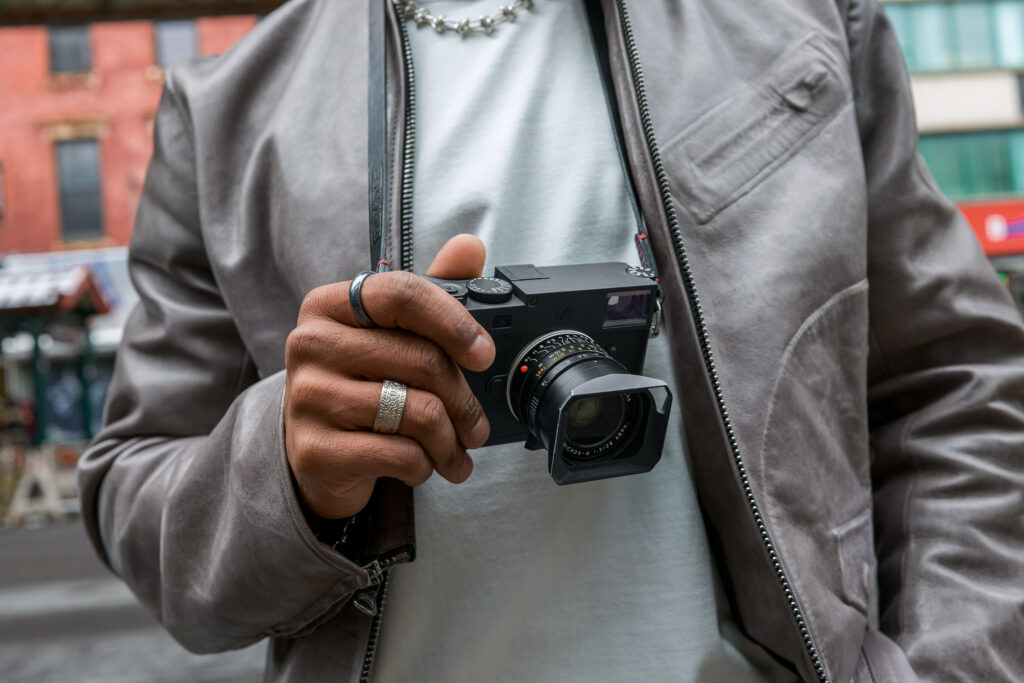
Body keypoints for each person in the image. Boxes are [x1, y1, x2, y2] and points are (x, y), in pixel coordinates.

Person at [77, 0, 1024, 681]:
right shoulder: (226, 113)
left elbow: (958, 383)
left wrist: (951, 662)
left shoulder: (797, 18)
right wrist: (283, 466)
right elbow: (134, 490)